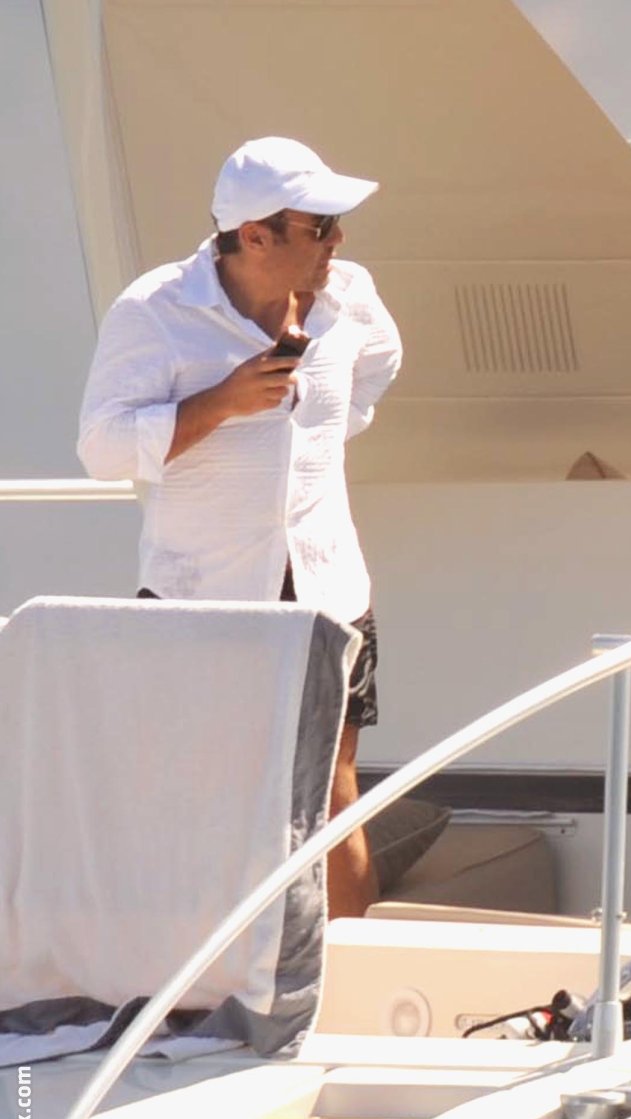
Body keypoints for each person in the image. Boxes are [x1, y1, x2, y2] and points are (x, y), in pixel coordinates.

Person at [76, 137, 403, 919]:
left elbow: (380, 366)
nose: (338, 241)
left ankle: (347, 972)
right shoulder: (156, 312)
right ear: (255, 236)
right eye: (320, 227)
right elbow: (102, 449)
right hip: (202, 598)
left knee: (335, 794)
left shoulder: (350, 295)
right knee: (197, 800)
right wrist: (222, 403)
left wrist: (314, 441)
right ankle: (193, 972)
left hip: (327, 587)